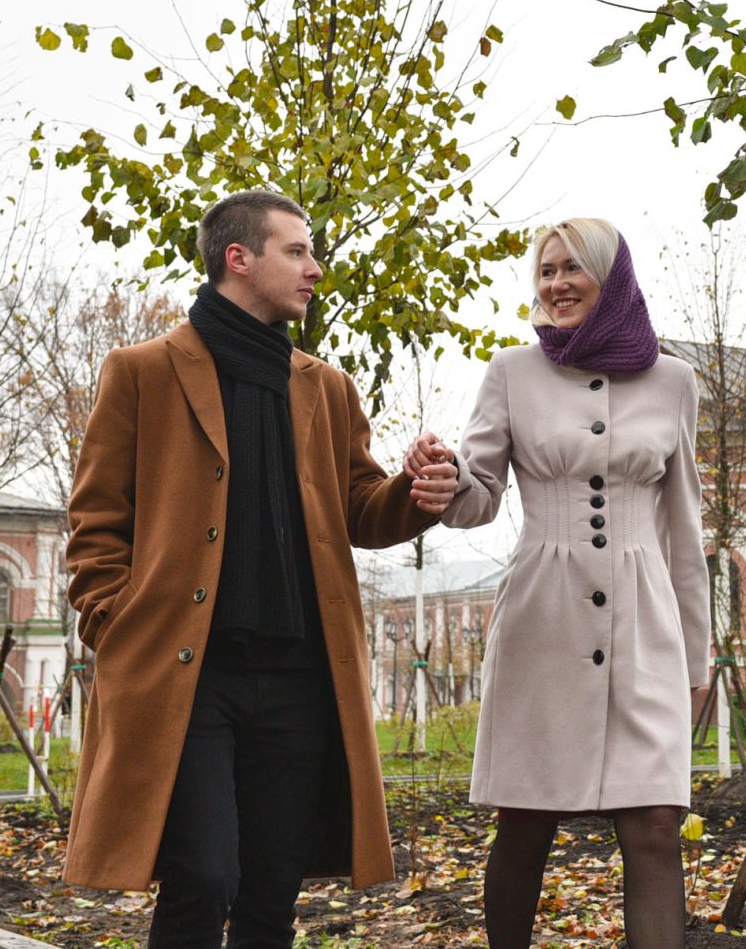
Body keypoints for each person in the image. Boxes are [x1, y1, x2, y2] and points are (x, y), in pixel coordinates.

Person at [62, 188, 458, 949]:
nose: (315, 268)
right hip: (186, 675)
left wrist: (417, 491)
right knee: (205, 876)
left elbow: (361, 507)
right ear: (237, 259)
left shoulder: (326, 386)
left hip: (302, 679)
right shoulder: (142, 371)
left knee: (274, 891)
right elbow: (96, 521)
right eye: (297, 251)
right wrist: (115, 624)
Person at [413, 217, 708, 949]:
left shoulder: (674, 380)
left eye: (572, 267)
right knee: (526, 823)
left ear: (611, 278)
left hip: (645, 628)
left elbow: (684, 526)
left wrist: (696, 659)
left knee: (655, 825)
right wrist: (447, 478)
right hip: (541, 622)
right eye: (545, 271)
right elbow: (479, 494)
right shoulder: (510, 371)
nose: (556, 283)